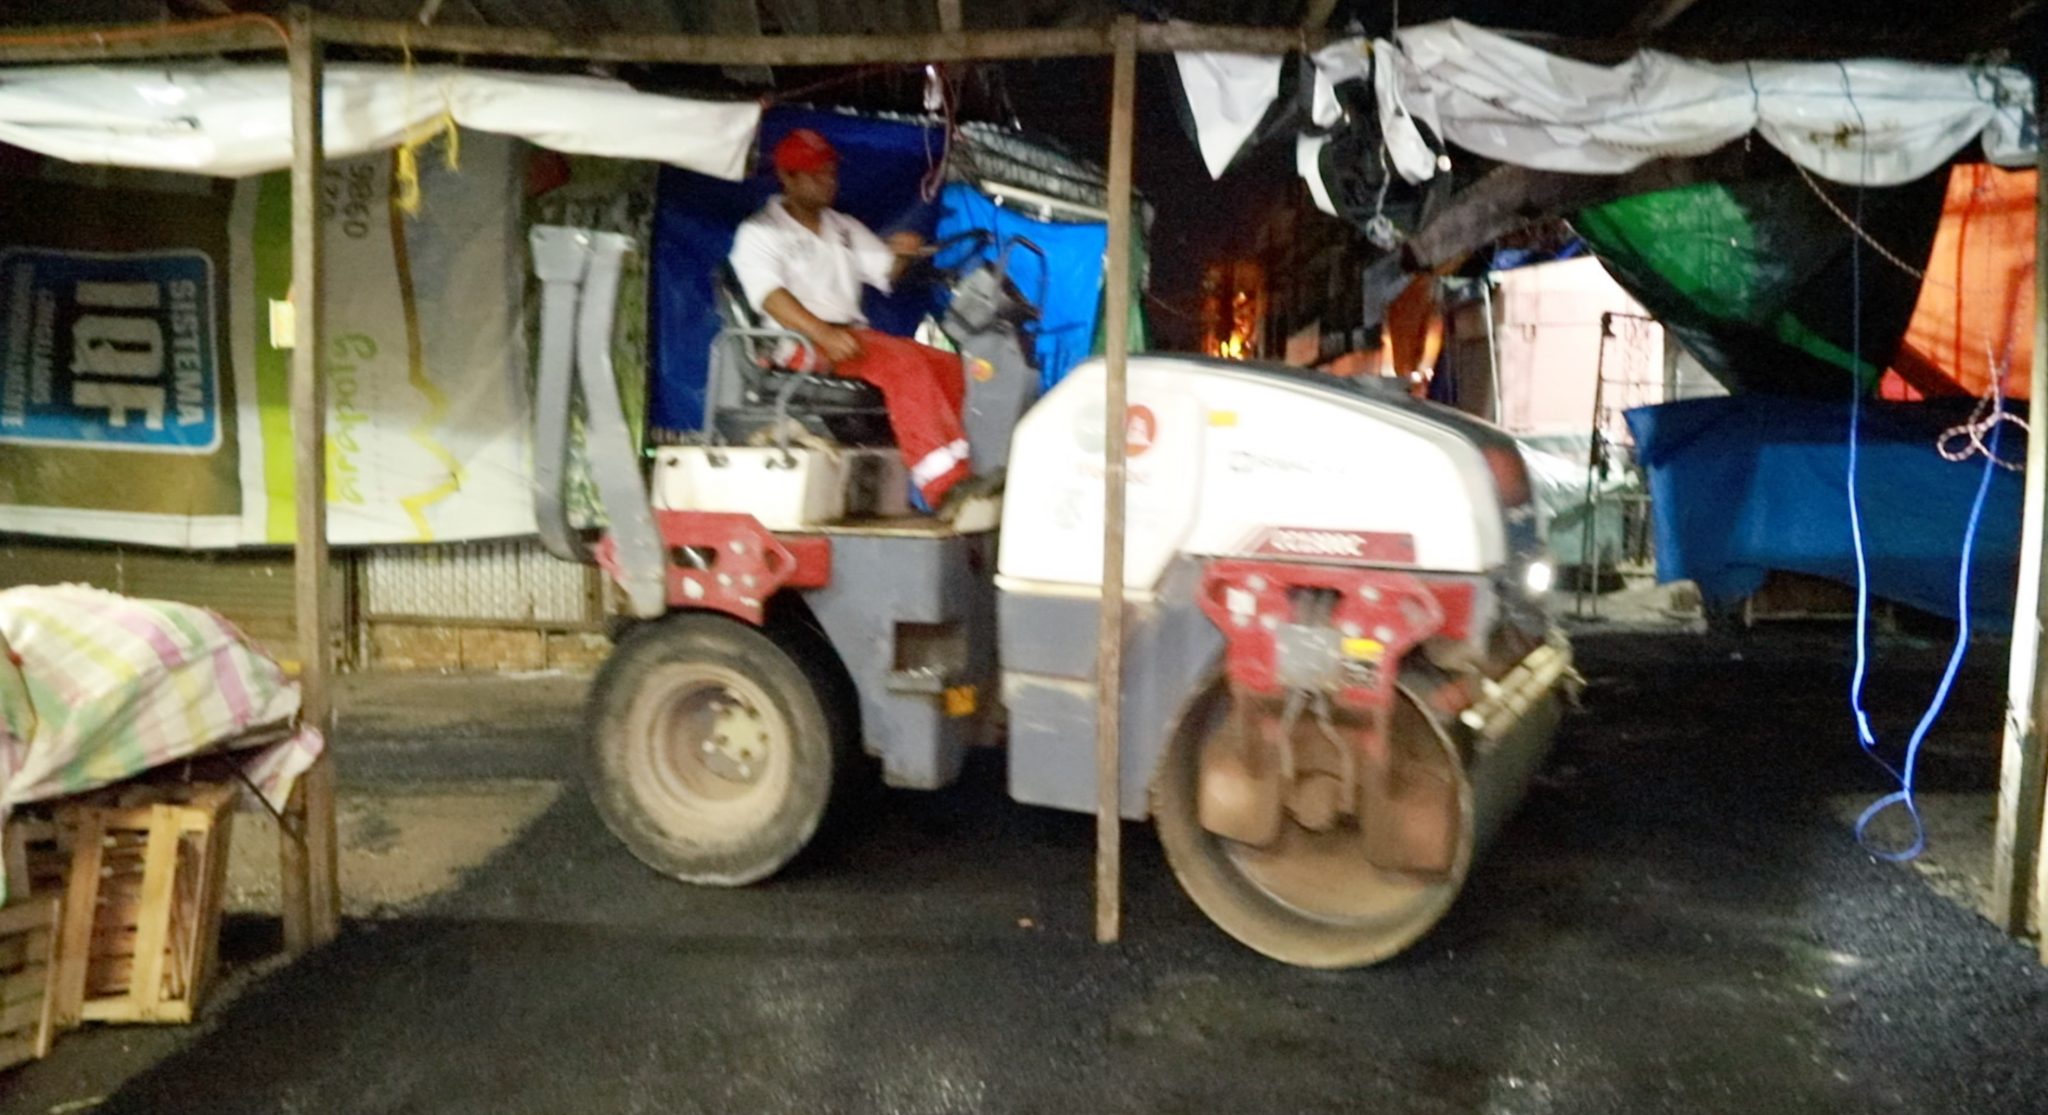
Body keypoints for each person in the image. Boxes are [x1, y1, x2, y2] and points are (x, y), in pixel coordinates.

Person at [729, 128, 985, 516]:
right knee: (904, 366)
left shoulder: (842, 227)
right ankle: (943, 488)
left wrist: (903, 253)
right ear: (787, 178)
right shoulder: (760, 233)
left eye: (831, 173)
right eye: (816, 174)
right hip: (801, 343)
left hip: (850, 338)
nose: (828, 181)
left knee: (952, 368)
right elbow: (770, 297)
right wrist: (823, 334)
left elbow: (885, 271)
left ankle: (968, 475)